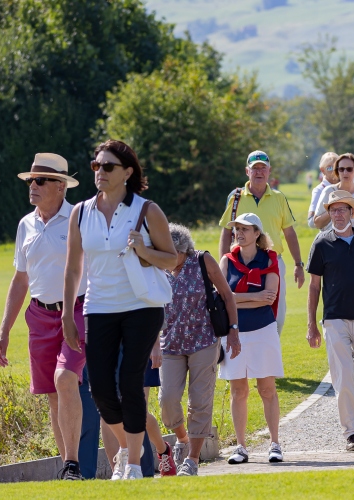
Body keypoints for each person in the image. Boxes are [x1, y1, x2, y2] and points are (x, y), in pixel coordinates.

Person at [62, 139, 177, 480]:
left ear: (127, 172)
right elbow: (72, 269)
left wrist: (143, 250)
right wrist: (68, 315)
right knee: (98, 386)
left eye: (108, 166)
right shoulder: (80, 212)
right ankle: (129, 447)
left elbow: (171, 260)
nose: (99, 172)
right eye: (96, 165)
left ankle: (131, 464)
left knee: (130, 380)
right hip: (98, 308)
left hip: (141, 307)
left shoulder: (147, 210)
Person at [0, 153, 92, 480]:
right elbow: (21, 279)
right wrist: (4, 330)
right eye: (30, 180)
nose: (32, 186)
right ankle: (69, 468)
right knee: (52, 393)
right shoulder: (26, 224)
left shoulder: (80, 219)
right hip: (39, 315)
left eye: (40, 181)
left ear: (61, 186)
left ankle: (73, 463)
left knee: (65, 379)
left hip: (76, 310)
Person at [158, 223, 240, 476]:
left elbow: (227, 295)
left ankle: (192, 460)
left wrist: (234, 331)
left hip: (204, 342)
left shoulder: (202, 260)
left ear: (182, 250)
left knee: (200, 401)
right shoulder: (157, 267)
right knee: (167, 400)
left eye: (169, 252)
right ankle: (182, 438)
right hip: (170, 343)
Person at [306, 191, 354, 451]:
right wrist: (311, 324)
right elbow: (314, 287)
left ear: (352, 213)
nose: (338, 215)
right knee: (343, 378)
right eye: (334, 210)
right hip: (334, 318)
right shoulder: (321, 243)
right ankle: (352, 432)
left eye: (343, 210)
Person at [219, 213, 284, 465]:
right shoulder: (227, 260)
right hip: (234, 332)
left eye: (245, 229)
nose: (239, 233)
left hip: (263, 331)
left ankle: (275, 444)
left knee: (266, 389)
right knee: (239, 391)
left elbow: (271, 296)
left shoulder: (269, 259)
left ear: (257, 233)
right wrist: (252, 298)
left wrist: (236, 298)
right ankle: (241, 446)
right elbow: (222, 298)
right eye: (237, 229)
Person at [218, 150, 305, 335]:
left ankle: (269, 355)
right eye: (254, 168)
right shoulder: (235, 197)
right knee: (238, 310)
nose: (259, 172)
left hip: (272, 262)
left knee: (277, 315)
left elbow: (289, 232)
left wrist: (298, 263)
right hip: (240, 262)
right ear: (247, 171)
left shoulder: (279, 198)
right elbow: (226, 232)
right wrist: (223, 266)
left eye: (262, 168)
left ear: (269, 171)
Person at [313, 153, 354, 238]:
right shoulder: (329, 191)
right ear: (337, 171)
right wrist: (333, 209)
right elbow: (317, 223)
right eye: (341, 169)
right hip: (332, 244)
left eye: (349, 169)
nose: (345, 172)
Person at [308, 152, 339, 229]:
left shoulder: (346, 186)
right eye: (329, 168)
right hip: (330, 237)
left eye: (337, 167)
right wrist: (335, 209)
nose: (334, 171)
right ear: (322, 170)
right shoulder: (319, 190)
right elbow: (311, 222)